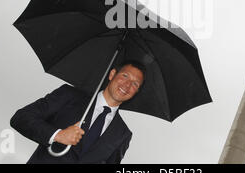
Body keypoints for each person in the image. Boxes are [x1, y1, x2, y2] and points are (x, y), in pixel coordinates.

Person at [10, 60, 145, 164]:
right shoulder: (70, 96)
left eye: (135, 84)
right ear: (112, 74)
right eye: (125, 76)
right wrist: (57, 135)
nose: (127, 85)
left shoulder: (123, 134)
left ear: (136, 92)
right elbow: (21, 118)